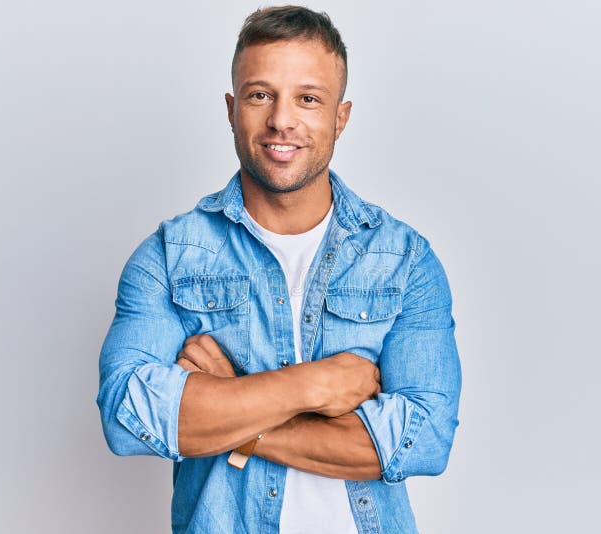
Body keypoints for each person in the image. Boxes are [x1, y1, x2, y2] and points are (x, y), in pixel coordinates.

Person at [97, 6, 461, 533]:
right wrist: (312, 386)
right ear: (231, 109)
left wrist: (237, 412)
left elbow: (424, 441)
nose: (281, 121)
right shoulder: (170, 256)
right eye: (260, 94)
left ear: (340, 117)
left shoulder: (404, 261)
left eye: (307, 98)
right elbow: (129, 416)